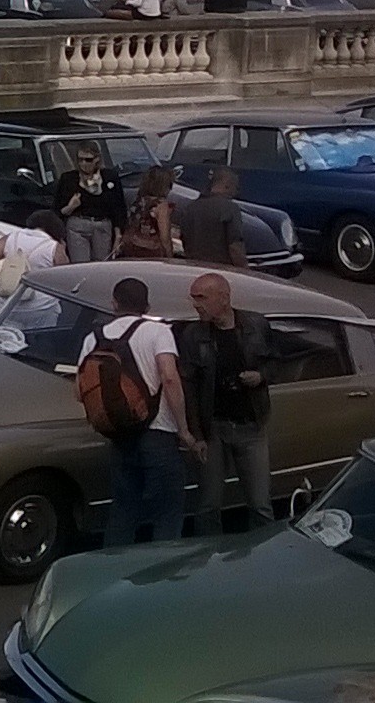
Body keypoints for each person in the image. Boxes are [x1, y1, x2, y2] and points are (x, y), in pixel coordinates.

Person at [81, 276, 192, 546]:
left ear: (114, 303)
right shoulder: (158, 332)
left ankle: (115, 572)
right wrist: (184, 429)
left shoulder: (93, 338)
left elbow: (79, 390)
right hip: (159, 435)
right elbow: (169, 378)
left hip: (119, 436)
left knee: (123, 510)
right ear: (147, 305)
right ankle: (161, 573)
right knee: (167, 512)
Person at [179, 271, 273, 535]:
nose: (196, 304)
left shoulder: (256, 325)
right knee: (208, 505)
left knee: (260, 504)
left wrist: (261, 377)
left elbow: (278, 363)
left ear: (223, 298)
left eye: (201, 297)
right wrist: (196, 435)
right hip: (214, 430)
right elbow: (189, 387)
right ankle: (208, 559)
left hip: (251, 427)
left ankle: (263, 558)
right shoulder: (193, 335)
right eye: (193, 298)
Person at [52, 143, 126, 262]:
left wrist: (118, 236)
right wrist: (70, 207)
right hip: (78, 225)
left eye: (88, 160)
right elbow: (57, 210)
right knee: (81, 265)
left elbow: (119, 209)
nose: (84, 164)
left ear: (97, 159)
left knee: (100, 266)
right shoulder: (69, 179)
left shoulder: (109, 177)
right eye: (80, 160)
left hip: (102, 225)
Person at [0, 208, 67, 296]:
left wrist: (1, 282)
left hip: (8, 304)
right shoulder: (54, 246)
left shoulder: (12, 237)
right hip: (42, 305)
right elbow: (65, 276)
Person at [176, 166, 247, 267]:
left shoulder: (190, 208)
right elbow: (235, 246)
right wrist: (245, 269)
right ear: (226, 185)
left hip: (193, 267)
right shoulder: (230, 208)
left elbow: (184, 240)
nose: (236, 192)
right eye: (236, 187)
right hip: (222, 269)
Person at [114, 166, 178, 261]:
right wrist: (170, 255)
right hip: (152, 253)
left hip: (131, 249)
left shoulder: (138, 202)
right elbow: (165, 238)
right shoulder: (161, 206)